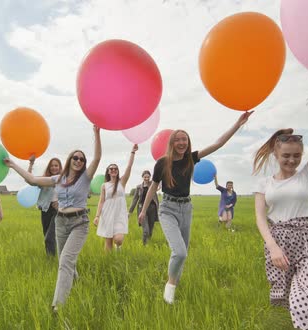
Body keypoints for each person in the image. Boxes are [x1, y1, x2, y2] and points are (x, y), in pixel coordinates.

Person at [139, 112, 252, 304]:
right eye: (178, 140)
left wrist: (237, 124)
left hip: (186, 208)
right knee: (180, 252)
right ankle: (170, 287)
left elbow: (218, 144)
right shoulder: (162, 163)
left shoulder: (191, 159)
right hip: (167, 208)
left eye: (185, 139)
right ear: (172, 143)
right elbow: (153, 186)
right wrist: (143, 211)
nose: (182, 143)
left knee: (183, 252)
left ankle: (174, 284)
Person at [253, 80, 308, 330]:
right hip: (279, 243)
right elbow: (260, 218)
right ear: (276, 156)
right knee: (292, 302)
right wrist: (274, 248)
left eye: (296, 155)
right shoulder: (264, 182)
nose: (291, 160)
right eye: (286, 155)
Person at [4, 125, 101, 312]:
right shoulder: (58, 178)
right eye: (75, 157)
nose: (79, 160)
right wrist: (13, 165)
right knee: (65, 261)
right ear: (70, 159)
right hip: (60, 222)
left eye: (82, 159)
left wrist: (96, 134)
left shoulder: (86, 178)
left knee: (65, 261)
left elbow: (97, 158)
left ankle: (58, 305)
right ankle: (78, 283)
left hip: (79, 223)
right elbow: (32, 180)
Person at [94, 144, 138, 251]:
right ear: (108, 172)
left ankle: (118, 246)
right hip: (107, 214)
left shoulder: (122, 182)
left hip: (119, 214)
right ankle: (108, 263)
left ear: (117, 171)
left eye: (115, 168)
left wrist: (132, 152)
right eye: (111, 169)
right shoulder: (104, 185)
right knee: (108, 241)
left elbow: (129, 167)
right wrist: (97, 216)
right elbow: (101, 201)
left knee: (118, 239)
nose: (113, 170)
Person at [27, 156, 62, 256]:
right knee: (46, 234)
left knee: (50, 237)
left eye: (56, 165)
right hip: (46, 209)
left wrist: (60, 202)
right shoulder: (45, 180)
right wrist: (31, 164)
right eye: (52, 166)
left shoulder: (64, 180)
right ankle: (51, 258)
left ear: (60, 167)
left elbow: (71, 195)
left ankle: (52, 259)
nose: (54, 167)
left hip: (58, 210)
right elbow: (29, 180)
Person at [128, 170, 159, 245]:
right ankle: (144, 245)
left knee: (150, 230)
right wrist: (130, 211)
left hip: (152, 208)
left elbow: (159, 183)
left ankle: (148, 243)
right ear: (142, 177)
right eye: (145, 177)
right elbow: (135, 199)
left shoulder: (153, 185)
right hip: (142, 209)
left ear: (150, 177)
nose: (147, 178)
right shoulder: (139, 187)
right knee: (146, 230)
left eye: (148, 177)